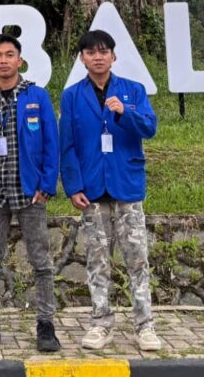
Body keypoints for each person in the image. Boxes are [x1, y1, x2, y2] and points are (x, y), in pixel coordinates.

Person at [59, 29, 161, 351]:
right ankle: (101, 324)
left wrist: (124, 112)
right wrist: (73, 186)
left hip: (126, 185)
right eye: (91, 52)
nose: (98, 57)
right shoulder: (71, 95)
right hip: (91, 188)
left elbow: (150, 128)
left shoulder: (133, 90)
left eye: (104, 51)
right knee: (97, 261)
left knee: (137, 259)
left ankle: (145, 326)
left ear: (114, 56)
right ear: (82, 58)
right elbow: (67, 145)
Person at [0, 33, 60, 352]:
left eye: (9, 54)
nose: (3, 60)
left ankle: (46, 324)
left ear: (20, 60)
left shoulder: (37, 97)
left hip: (30, 193)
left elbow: (52, 143)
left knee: (41, 261)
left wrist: (47, 185)